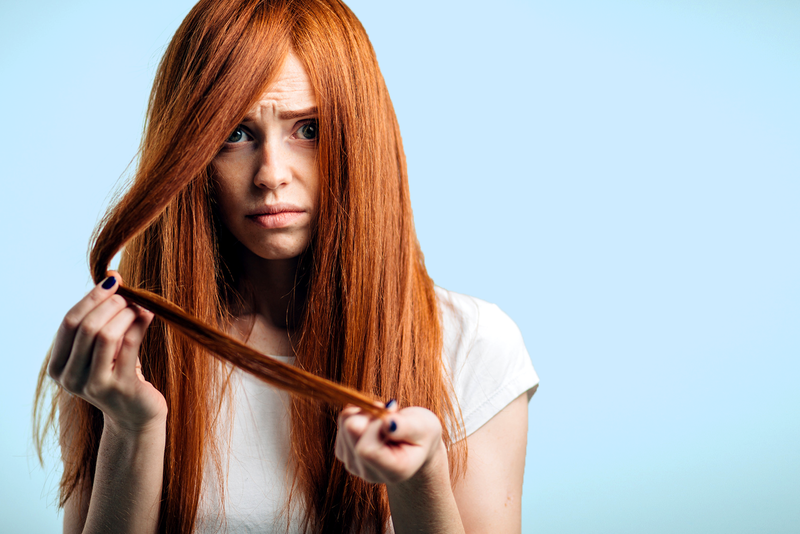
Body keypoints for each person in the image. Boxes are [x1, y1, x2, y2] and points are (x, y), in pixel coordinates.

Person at [34, 0, 538, 532]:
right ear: (187, 153)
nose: (272, 175)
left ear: (359, 140)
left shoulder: (475, 346)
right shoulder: (113, 358)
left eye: (309, 129)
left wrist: (422, 480)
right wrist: (131, 428)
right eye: (235, 134)